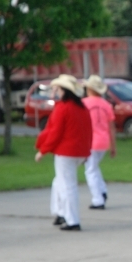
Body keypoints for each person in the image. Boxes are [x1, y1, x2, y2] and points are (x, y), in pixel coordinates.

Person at [35, 74, 92, 231]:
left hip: (66, 152)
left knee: (67, 186)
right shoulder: (82, 108)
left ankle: (72, 220)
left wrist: (43, 150)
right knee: (59, 182)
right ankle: (61, 212)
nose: (56, 91)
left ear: (64, 90)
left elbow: (55, 132)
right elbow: (88, 131)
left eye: (58, 89)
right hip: (78, 152)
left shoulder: (63, 108)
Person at [82, 75, 116, 210]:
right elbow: (111, 127)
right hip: (103, 141)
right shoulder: (106, 104)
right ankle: (102, 190)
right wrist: (113, 146)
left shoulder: (84, 103)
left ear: (89, 89)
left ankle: (98, 199)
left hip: (90, 141)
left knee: (90, 170)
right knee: (94, 167)